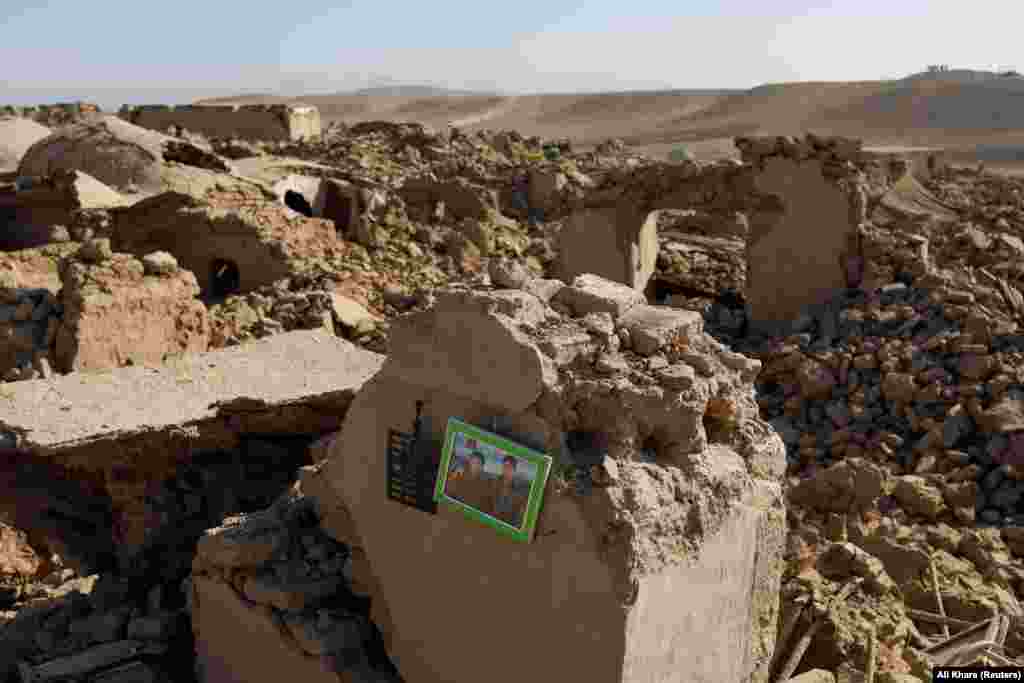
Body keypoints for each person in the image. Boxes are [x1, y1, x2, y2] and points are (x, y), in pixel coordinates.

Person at [488, 455, 529, 528]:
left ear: (514, 469)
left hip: (509, 524)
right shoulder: (495, 482)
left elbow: (521, 511)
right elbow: (489, 501)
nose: (506, 470)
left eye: (509, 467)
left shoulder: (521, 488)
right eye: (504, 467)